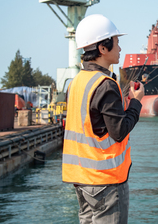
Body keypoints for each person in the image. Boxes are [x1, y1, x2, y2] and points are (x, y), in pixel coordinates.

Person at [62, 14, 144, 224]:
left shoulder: (75, 83)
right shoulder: (105, 84)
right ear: (102, 48)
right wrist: (136, 102)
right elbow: (119, 131)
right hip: (105, 181)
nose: (120, 48)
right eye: (116, 43)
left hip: (81, 179)